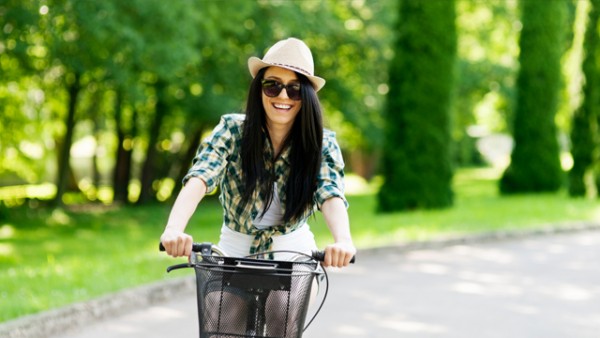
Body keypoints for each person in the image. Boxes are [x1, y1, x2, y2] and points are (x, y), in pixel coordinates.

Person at [160, 37, 356, 268]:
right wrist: (173, 229)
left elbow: (330, 193)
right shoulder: (232, 131)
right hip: (234, 250)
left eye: (294, 89)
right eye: (272, 85)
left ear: (307, 97)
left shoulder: (322, 144)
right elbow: (201, 176)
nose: (283, 96)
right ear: (259, 89)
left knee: (282, 303)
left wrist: (343, 241)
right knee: (220, 303)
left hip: (293, 252)